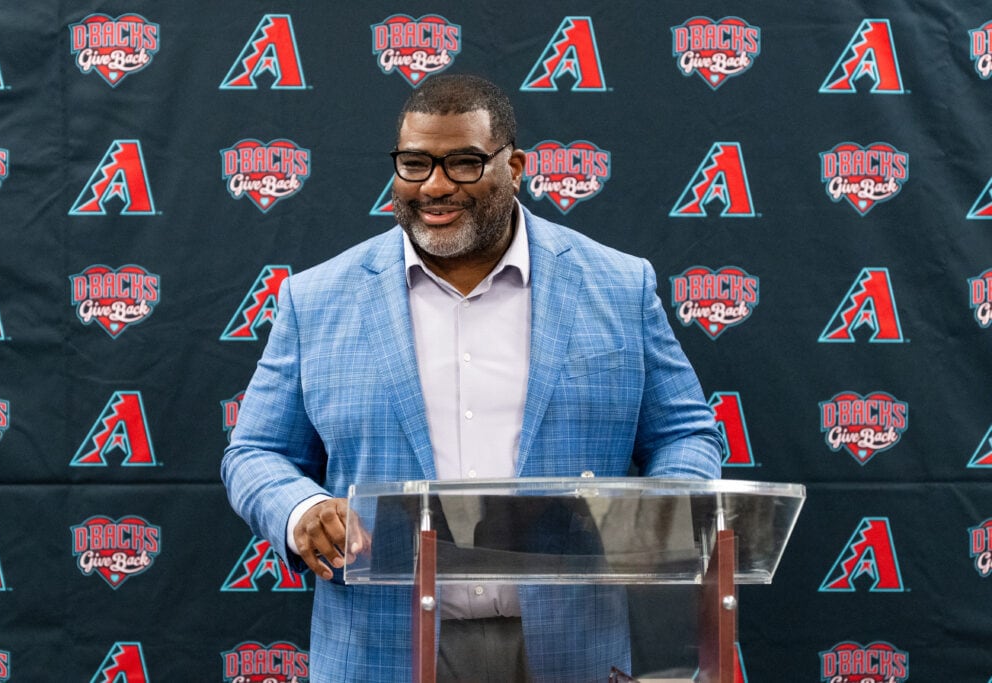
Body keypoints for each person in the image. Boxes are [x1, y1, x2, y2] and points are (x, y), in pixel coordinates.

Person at [222, 73, 723, 683]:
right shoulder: (316, 298)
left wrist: (663, 512)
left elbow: (685, 433)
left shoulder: (619, 285)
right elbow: (256, 452)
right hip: (383, 647)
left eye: (463, 163)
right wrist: (302, 508)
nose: (434, 186)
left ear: (515, 167)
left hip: (573, 648)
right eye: (415, 164)